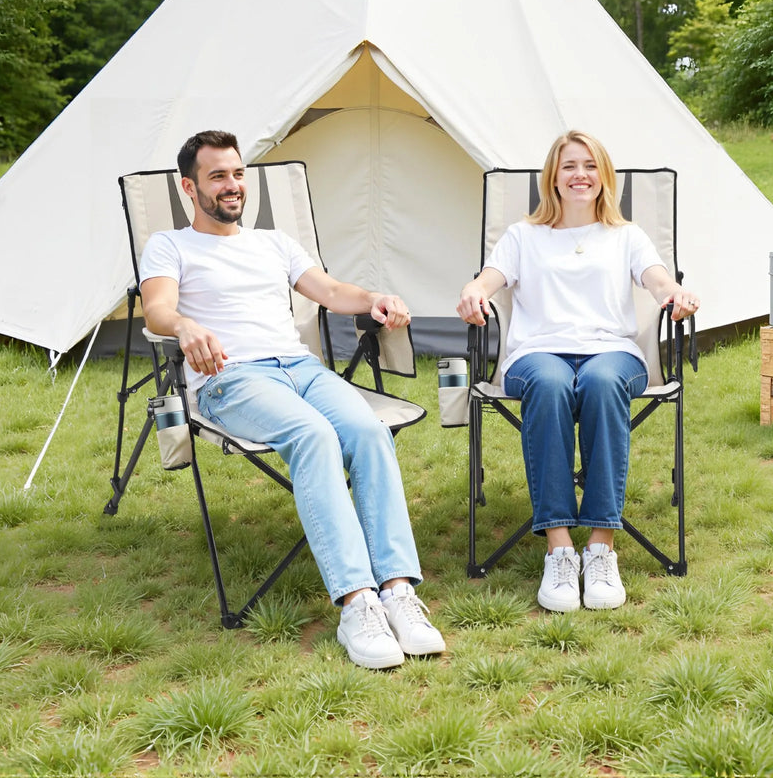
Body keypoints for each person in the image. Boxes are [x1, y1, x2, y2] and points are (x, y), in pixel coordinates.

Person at [139, 130, 444, 668]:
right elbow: (157, 309)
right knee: (313, 435)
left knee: (369, 433)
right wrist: (185, 325)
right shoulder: (170, 245)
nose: (232, 186)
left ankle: (398, 592)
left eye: (237, 174)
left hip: (301, 368)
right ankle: (357, 603)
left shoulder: (274, 242)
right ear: (190, 187)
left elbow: (328, 292)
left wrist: (375, 298)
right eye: (217, 177)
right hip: (230, 378)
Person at [456, 130, 699, 613]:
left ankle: (602, 547)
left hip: (611, 353)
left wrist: (675, 294)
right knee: (548, 385)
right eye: (569, 166)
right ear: (554, 176)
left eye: (589, 165)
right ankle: (561, 549)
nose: (580, 175)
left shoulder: (626, 235)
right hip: (536, 354)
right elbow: (489, 278)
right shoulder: (524, 236)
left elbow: (656, 278)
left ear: (604, 175)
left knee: (602, 382)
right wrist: (473, 291)